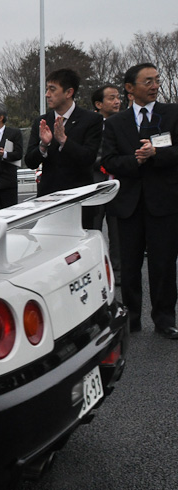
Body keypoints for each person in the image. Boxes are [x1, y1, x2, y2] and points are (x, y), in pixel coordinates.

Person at [102, 63, 178, 339]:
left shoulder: (172, 114)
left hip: (164, 202)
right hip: (128, 205)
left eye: (157, 80)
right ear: (130, 88)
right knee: (131, 266)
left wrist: (157, 153)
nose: (155, 85)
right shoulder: (114, 123)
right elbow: (108, 160)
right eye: (148, 81)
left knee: (164, 263)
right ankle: (131, 318)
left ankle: (165, 318)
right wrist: (135, 159)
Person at [24, 68, 102, 202]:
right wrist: (43, 145)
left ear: (69, 92)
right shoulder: (42, 121)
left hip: (80, 198)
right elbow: (30, 162)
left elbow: (89, 158)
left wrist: (64, 141)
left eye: (52, 89)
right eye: (47, 89)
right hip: (48, 198)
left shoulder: (91, 120)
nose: (47, 94)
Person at [92, 84, 123, 283]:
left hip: (119, 183)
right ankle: (94, 270)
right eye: (111, 98)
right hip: (95, 183)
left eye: (118, 97)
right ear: (98, 104)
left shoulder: (125, 123)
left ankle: (118, 272)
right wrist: (103, 165)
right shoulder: (91, 125)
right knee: (93, 230)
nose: (117, 101)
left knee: (118, 230)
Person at [0, 103, 24, 208]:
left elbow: (19, 153)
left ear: (0, 117)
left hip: (8, 182)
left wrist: (5, 154)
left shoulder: (14, 133)